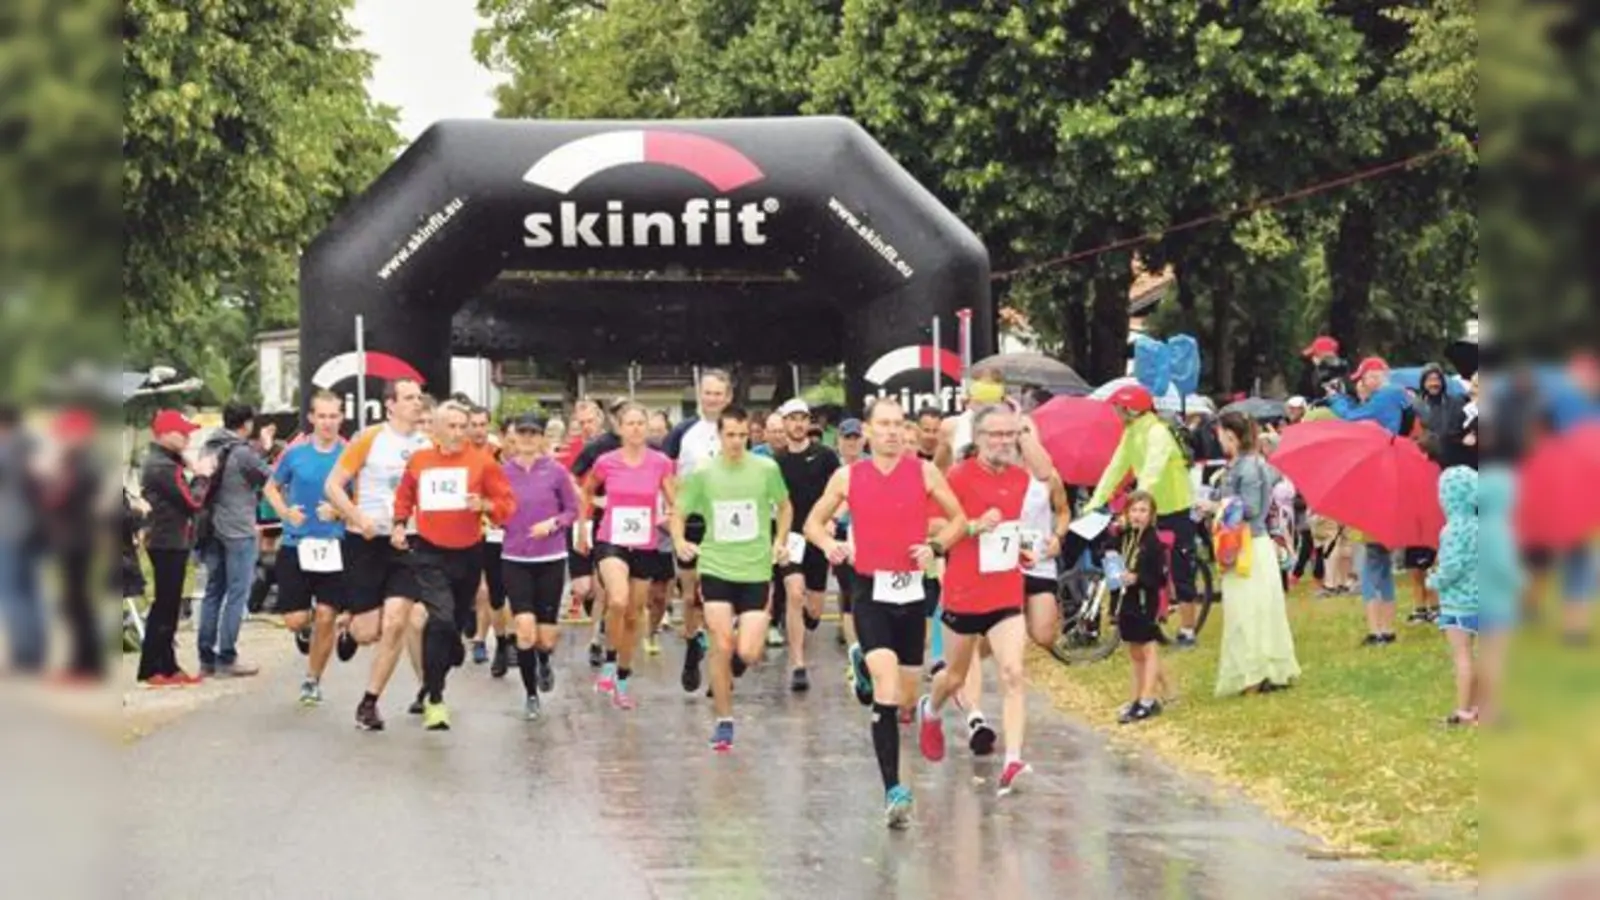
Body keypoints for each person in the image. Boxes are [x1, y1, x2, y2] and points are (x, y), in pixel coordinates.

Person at [803, 397, 966, 829]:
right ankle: (893, 789)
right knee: (887, 688)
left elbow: (959, 521)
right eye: (885, 425)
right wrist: (829, 545)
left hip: (912, 593)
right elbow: (813, 524)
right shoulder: (848, 476)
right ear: (870, 432)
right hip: (870, 588)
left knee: (909, 696)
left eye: (899, 425)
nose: (893, 432)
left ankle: (861, 666)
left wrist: (934, 547)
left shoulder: (925, 471)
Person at [915, 405, 1036, 796]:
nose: (1003, 441)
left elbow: (1014, 531)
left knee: (1013, 672)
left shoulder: (1020, 478)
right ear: (978, 438)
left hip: (1005, 593)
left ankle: (1013, 759)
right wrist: (972, 525)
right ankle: (930, 710)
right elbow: (932, 524)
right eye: (995, 435)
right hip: (964, 594)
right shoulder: (959, 476)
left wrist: (1026, 547)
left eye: (1009, 434)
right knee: (952, 677)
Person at [671, 406, 792, 751]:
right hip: (716, 567)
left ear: (750, 435)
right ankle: (724, 720)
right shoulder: (705, 472)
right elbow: (679, 511)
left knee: (749, 652)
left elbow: (784, 506)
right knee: (721, 645)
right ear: (719, 436)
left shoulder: (766, 468)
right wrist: (680, 541)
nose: (737, 442)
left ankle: (737, 661)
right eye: (730, 435)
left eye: (742, 435)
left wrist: (779, 541)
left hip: (755, 569)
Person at [391, 401, 515, 730]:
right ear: (436, 429)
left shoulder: (483, 463)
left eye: (464, 426)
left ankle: (447, 657)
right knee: (439, 619)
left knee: (454, 622)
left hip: (469, 552)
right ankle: (435, 699)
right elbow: (404, 495)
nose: (459, 433)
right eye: (453, 426)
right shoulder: (420, 460)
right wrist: (400, 523)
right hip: (430, 552)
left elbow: (507, 503)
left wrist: (485, 504)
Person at [325, 378, 432, 731]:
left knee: (397, 620)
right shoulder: (369, 438)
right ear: (390, 404)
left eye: (419, 397)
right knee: (368, 630)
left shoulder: (428, 443)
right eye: (409, 398)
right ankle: (349, 627)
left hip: (407, 541)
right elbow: (333, 486)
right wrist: (357, 518)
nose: (417, 403)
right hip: (365, 541)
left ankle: (369, 703)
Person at [577, 401, 678, 709]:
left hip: (645, 543)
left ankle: (621, 676)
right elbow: (586, 491)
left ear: (647, 429)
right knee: (617, 599)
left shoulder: (660, 462)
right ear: (619, 429)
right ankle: (608, 660)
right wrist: (582, 529)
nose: (636, 429)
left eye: (640, 423)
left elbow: (675, 503)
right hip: (611, 540)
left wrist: (673, 524)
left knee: (634, 616)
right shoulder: (606, 461)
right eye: (630, 423)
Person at [1087, 384, 1201, 648]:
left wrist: (1136, 504)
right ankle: (1148, 618)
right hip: (1149, 509)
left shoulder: (1158, 432)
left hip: (1174, 508)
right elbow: (1115, 468)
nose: (1115, 412)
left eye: (1118, 408)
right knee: (1142, 564)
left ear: (1131, 409)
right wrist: (1094, 503)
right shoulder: (1131, 432)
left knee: (1180, 568)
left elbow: (1152, 470)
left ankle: (1187, 630)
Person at [261, 390, 351, 705]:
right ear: (312, 418)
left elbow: (363, 498)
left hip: (335, 543)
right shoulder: (295, 453)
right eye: (322, 416)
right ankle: (305, 629)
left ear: (341, 417)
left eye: (334, 416)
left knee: (327, 614)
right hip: (296, 543)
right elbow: (270, 487)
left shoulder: (350, 453)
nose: (328, 422)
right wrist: (285, 512)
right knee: (296, 620)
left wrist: (340, 511)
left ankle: (312, 680)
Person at [1206, 412, 1301, 695]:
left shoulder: (1248, 468)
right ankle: (1262, 671)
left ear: (1231, 436)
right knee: (1257, 610)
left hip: (1249, 544)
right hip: (1249, 544)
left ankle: (1254, 675)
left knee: (1248, 612)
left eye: (1221, 434)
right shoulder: (1244, 466)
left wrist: (1216, 507)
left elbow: (1249, 509)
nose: (1218, 439)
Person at [500, 413, 580, 719]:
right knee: (524, 631)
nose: (528, 438)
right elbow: (493, 506)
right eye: (523, 432)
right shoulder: (503, 472)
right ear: (514, 437)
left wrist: (554, 523)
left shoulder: (556, 472)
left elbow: (572, 510)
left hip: (549, 558)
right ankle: (531, 695)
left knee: (545, 638)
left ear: (543, 437)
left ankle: (544, 660)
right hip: (515, 558)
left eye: (534, 433)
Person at [663, 370, 733, 693]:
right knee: (691, 596)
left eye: (719, 393)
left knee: (718, 597)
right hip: (691, 519)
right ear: (699, 394)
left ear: (728, 396)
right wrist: (670, 509)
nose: (713, 399)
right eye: (708, 393)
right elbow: (664, 473)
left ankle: (720, 668)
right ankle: (692, 647)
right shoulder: (682, 431)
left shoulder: (736, 429)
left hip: (727, 521)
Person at [136, 409, 214, 684]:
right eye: (181, 432)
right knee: (166, 605)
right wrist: (202, 476)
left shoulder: (167, 461)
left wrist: (190, 468)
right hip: (167, 540)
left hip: (171, 539)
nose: (186, 437)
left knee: (169, 605)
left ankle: (166, 665)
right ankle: (155, 667)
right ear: (165, 434)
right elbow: (192, 503)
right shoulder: (162, 466)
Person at [196, 401, 273, 678]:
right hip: (238, 529)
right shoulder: (242, 452)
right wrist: (266, 447)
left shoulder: (209, 446)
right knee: (237, 592)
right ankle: (227, 656)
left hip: (210, 527)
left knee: (213, 591)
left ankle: (206, 657)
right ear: (247, 424)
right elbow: (270, 478)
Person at [772, 398, 840, 691]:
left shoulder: (825, 456)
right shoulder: (775, 462)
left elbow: (840, 493)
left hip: (818, 537)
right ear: (784, 424)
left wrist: (832, 520)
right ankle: (798, 663)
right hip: (790, 537)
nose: (798, 424)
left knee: (813, 607)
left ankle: (806, 621)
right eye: (792, 419)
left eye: (803, 418)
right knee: (794, 592)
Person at [1427, 466, 1480, 726]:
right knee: (1480, 656)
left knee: (1462, 656)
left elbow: (1452, 567)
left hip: (1457, 604)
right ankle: (1482, 706)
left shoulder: (1452, 529)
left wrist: (1433, 579)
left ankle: (1463, 710)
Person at [1110, 491, 1167, 723]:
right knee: (1134, 650)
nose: (1138, 515)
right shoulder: (1125, 536)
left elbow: (1159, 577)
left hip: (1145, 599)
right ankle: (1137, 695)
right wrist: (1116, 530)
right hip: (1126, 600)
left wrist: (1139, 578)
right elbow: (1108, 551)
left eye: (1143, 511)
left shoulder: (1153, 542)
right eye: (1134, 510)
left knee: (1148, 647)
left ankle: (1147, 699)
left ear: (1151, 515)